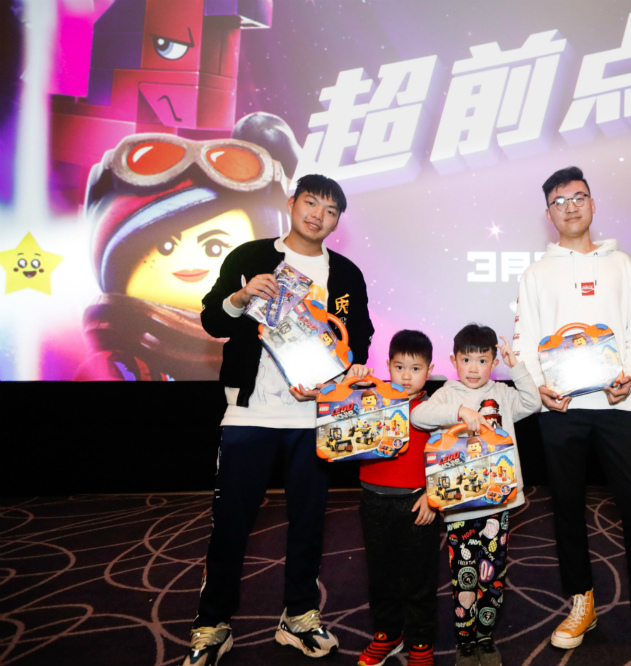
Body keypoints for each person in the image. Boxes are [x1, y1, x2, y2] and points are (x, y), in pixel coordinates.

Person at [510, 167, 631, 662]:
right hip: (563, 408)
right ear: (548, 213)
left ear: (593, 204)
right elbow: (525, 341)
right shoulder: (536, 274)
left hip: (620, 404)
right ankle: (582, 602)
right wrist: (540, 388)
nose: (570, 207)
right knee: (567, 507)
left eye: (579, 197)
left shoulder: (621, 265)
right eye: (559, 201)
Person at [181, 174, 375, 666]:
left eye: (331, 210)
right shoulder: (250, 257)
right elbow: (212, 320)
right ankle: (212, 623)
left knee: (309, 522)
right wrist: (242, 297)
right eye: (311, 203)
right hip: (251, 409)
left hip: (315, 415)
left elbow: (359, 336)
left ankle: (299, 616)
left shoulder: (345, 274)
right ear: (292, 203)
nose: (318, 216)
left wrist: (341, 373)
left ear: (338, 220)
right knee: (231, 522)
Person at [411, 324, 541, 666]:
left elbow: (533, 402)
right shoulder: (447, 394)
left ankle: (485, 637)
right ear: (453, 360)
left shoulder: (502, 394)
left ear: (493, 362)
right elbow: (419, 416)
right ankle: (466, 642)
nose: (473, 368)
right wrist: (459, 412)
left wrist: (517, 367)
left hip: (497, 503)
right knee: (464, 576)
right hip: (461, 507)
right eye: (466, 359)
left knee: (492, 576)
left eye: (482, 360)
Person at [355, 330, 439, 666]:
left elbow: (446, 456)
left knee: (420, 576)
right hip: (373, 498)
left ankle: (421, 641)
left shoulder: (434, 409)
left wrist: (433, 496)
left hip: (418, 503)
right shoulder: (372, 399)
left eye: (415, 368)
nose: (406, 376)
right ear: (388, 365)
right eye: (399, 367)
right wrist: (352, 380)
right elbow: (339, 404)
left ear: (429, 370)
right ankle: (387, 634)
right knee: (380, 574)